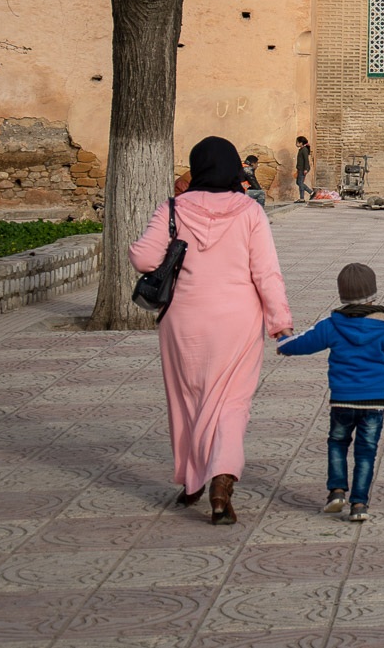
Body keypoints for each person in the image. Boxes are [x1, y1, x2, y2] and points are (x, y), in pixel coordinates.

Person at [130, 136, 293, 525]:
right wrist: (280, 323)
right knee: (232, 402)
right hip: (238, 320)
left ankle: (191, 482)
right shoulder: (249, 211)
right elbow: (265, 272)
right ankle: (221, 482)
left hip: (184, 321)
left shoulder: (173, 208)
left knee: (186, 401)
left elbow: (143, 257)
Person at [277, 262, 384, 522]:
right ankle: (359, 505)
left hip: (342, 400)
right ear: (374, 294)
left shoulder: (332, 325)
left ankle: (337, 491)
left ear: (342, 294)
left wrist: (283, 344)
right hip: (374, 404)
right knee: (366, 452)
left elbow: (304, 343)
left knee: (338, 444)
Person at [295, 136, 315, 201]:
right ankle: (311, 192)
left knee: (300, 183)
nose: (296, 144)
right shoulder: (301, 149)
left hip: (303, 168)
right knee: (298, 182)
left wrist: (306, 169)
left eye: (297, 142)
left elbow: (306, 160)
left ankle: (302, 198)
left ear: (301, 143)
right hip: (300, 168)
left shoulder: (304, 150)